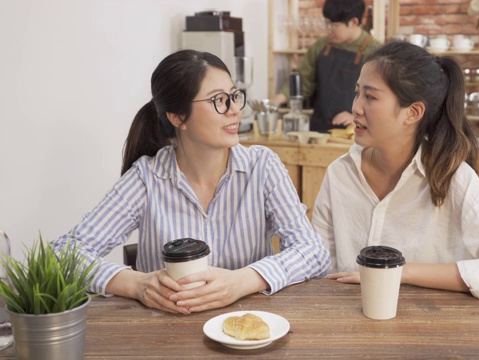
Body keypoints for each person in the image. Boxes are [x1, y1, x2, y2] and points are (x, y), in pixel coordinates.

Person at [52, 50, 331, 314]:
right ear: (177, 117)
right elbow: (61, 254)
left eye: (234, 97)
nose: (235, 110)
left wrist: (242, 281)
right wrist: (137, 284)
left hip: (249, 332)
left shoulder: (262, 167)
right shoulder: (146, 178)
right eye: (218, 100)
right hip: (165, 337)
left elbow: (314, 252)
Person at [312, 41, 479, 299]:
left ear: (413, 112)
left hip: (431, 327)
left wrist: (399, 272)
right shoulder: (339, 174)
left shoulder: (453, 177)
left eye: (370, 97)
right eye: (357, 93)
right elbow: (317, 266)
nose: (356, 108)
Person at [271, 0, 381, 132]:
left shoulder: (376, 53)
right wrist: (275, 101)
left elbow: (378, 98)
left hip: (355, 131)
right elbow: (304, 81)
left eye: (334, 26)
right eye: (326, 24)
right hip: (319, 128)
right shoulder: (321, 46)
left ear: (354, 22)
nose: (328, 31)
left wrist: (356, 116)